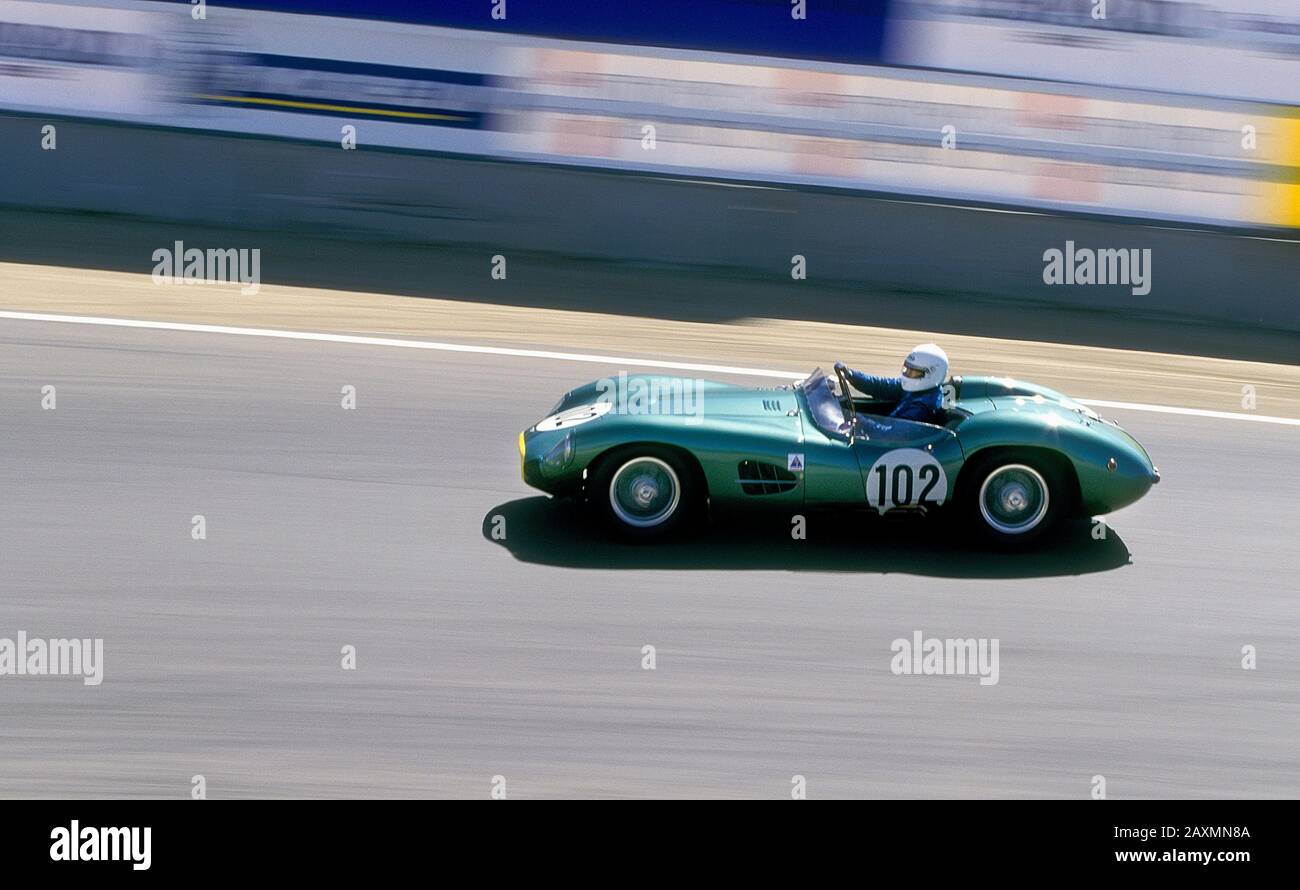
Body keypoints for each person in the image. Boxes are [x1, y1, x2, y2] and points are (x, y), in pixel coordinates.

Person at [835, 343, 949, 424]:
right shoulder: (915, 390)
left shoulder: (922, 407)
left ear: (930, 374)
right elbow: (881, 386)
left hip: (895, 446)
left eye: (913, 372)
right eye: (907, 369)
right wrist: (852, 375)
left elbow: (893, 433)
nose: (907, 374)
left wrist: (862, 422)